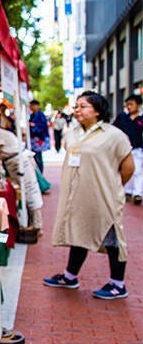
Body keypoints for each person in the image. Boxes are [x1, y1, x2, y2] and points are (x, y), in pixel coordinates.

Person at [43, 91, 134, 299]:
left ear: (98, 110)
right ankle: (70, 276)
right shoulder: (73, 132)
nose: (77, 110)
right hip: (76, 196)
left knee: (112, 239)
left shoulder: (114, 135)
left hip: (104, 196)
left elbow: (128, 168)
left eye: (83, 106)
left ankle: (117, 284)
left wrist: (113, 187)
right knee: (78, 233)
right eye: (76, 106)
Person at [0, 127, 43, 233]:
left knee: (30, 191)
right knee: (28, 191)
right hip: (15, 162)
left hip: (20, 162)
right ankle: (33, 223)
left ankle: (36, 225)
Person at [112, 94, 143, 205]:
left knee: (138, 171)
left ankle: (137, 193)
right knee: (125, 169)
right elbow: (114, 130)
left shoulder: (141, 119)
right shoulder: (122, 117)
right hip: (123, 149)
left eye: (131, 104)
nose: (129, 107)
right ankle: (127, 191)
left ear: (138, 105)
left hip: (138, 149)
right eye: (127, 104)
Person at [29, 99, 50, 172]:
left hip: (39, 139)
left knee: (38, 157)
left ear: (37, 106)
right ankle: (38, 173)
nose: (31, 107)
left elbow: (42, 127)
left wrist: (33, 125)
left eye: (32, 105)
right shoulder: (32, 115)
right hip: (34, 139)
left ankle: (40, 173)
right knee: (36, 157)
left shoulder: (40, 115)